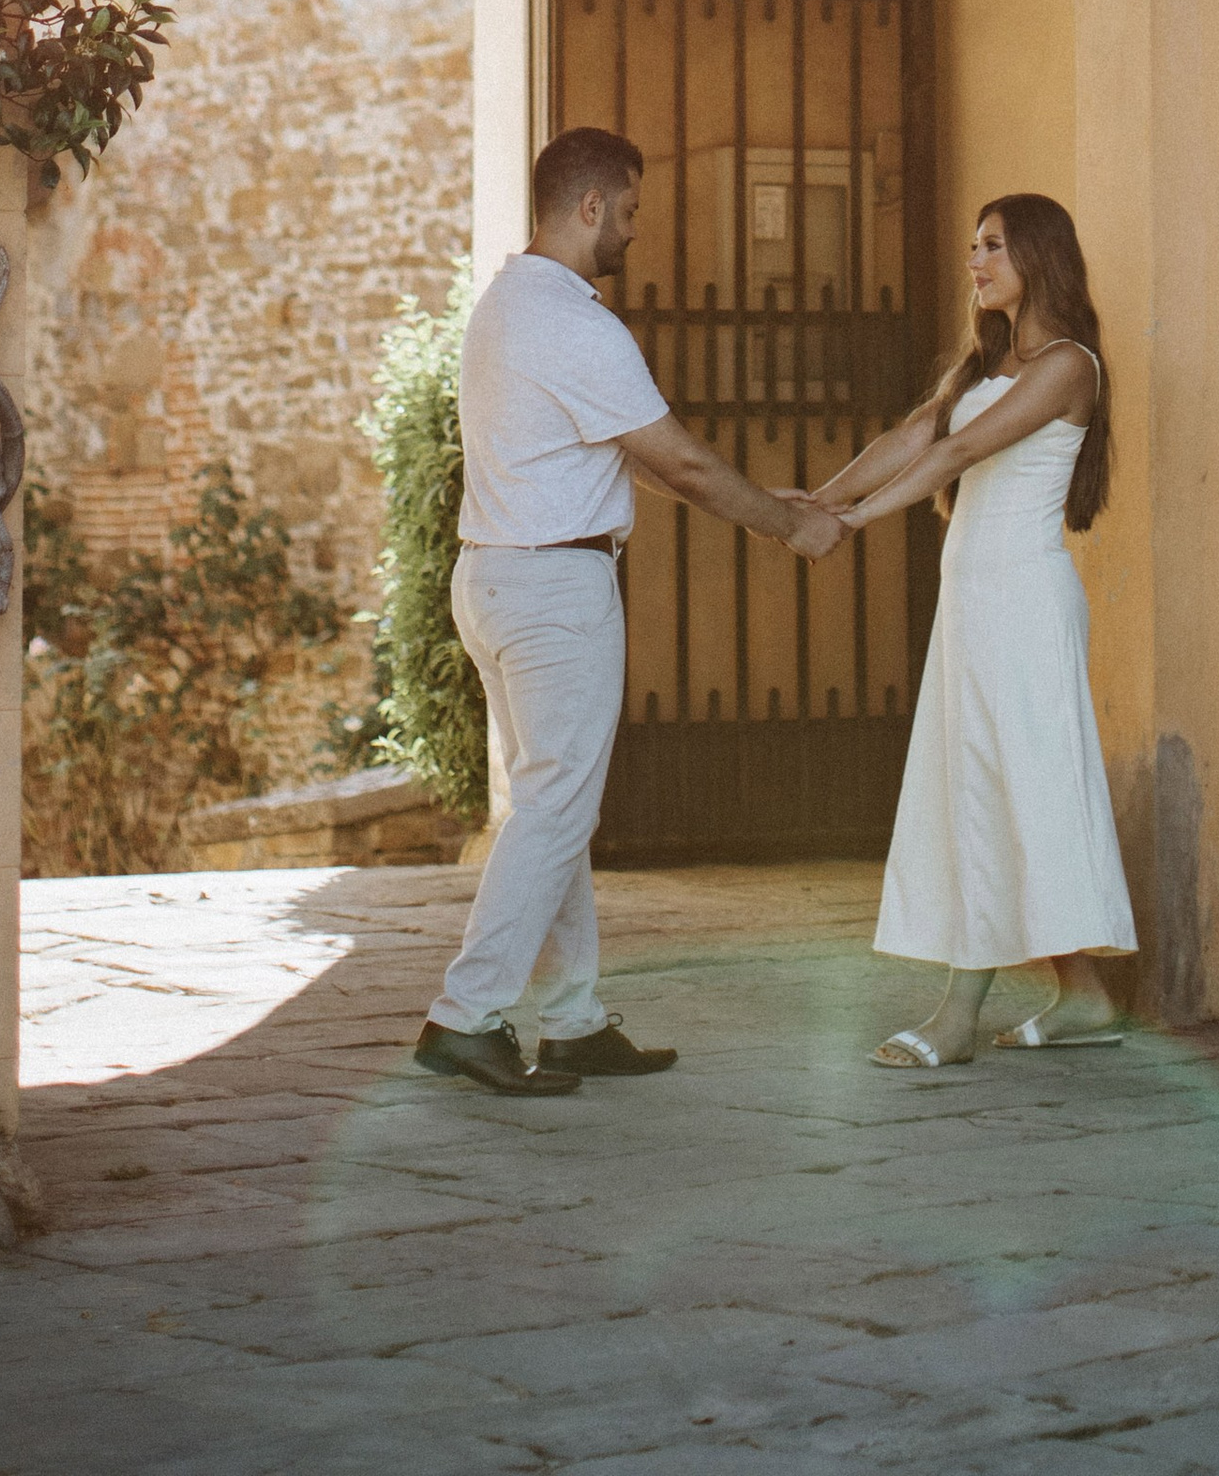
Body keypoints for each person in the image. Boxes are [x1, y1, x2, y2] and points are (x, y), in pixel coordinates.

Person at [413, 124, 846, 1097]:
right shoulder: (572, 321)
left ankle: (569, 1022)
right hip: (553, 592)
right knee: (559, 808)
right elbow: (681, 457)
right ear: (592, 206)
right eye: (633, 212)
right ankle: (464, 1014)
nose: (638, 233)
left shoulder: (508, 304)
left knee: (550, 806)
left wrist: (768, 511)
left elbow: (651, 468)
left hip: (499, 577)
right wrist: (788, 527)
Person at [797, 191, 1136, 1068]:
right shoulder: (986, 366)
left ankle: (957, 1015)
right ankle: (1085, 995)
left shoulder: (1069, 366)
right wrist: (811, 502)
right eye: (971, 246)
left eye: (992, 246)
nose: (974, 261)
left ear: (1040, 255)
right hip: (975, 606)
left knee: (1000, 791)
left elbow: (956, 456)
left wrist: (852, 525)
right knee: (990, 789)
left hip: (1024, 604)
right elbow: (915, 438)